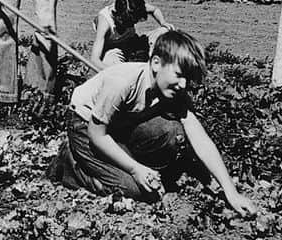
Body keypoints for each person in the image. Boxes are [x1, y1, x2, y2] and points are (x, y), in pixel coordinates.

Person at [50, 30, 257, 216]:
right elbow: (98, 135)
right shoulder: (122, 82)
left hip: (120, 123)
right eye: (178, 75)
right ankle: (70, 162)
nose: (183, 84)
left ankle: (122, 160)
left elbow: (200, 139)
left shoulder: (174, 90)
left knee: (172, 131)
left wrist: (231, 193)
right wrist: (135, 169)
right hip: (86, 126)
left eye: (187, 78)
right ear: (156, 63)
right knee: (132, 190)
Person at [91, 0, 174, 70]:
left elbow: (154, 10)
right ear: (119, 16)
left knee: (165, 31)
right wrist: (111, 72)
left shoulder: (133, 6)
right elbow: (95, 60)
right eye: (128, 22)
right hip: (114, 50)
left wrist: (163, 22)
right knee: (111, 63)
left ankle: (155, 65)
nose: (132, 24)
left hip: (133, 42)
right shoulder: (105, 22)